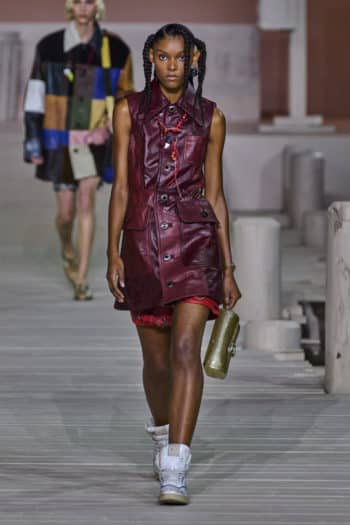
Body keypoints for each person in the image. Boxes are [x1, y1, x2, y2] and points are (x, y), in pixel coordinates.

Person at [106, 23, 241, 505]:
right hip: (143, 244)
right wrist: (112, 251)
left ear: (194, 61)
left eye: (179, 57)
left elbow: (217, 195)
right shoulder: (128, 111)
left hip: (196, 243)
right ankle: (165, 435)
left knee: (186, 350)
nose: (170, 65)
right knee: (156, 362)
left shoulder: (211, 118)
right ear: (151, 61)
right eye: (161, 57)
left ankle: (176, 464)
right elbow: (121, 186)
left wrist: (227, 268)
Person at [23, 0, 133, 300]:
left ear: (97, 6)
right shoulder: (49, 47)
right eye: (78, 2)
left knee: (86, 203)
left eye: (89, 2)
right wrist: (33, 142)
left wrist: (114, 126)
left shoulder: (116, 49)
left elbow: (126, 97)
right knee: (66, 213)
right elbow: (35, 94)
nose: (84, 8)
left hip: (94, 141)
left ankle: (81, 278)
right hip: (58, 140)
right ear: (70, 7)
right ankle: (66, 246)